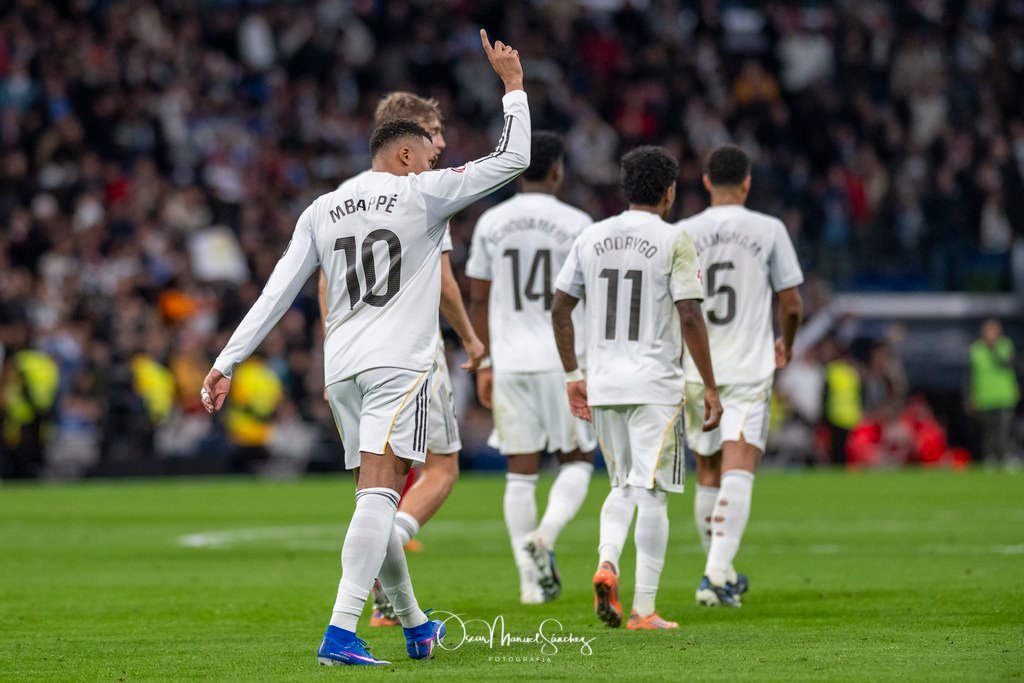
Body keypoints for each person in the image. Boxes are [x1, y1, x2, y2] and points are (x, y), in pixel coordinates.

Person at [201, 30, 529, 666]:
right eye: (426, 155)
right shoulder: (422, 192)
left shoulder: (322, 208)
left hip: (342, 369)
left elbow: (277, 292)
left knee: (372, 500)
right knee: (381, 497)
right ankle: (340, 632)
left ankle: (415, 625)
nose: (433, 164)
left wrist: (227, 360)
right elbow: (512, 158)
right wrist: (513, 88)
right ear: (405, 155)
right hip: (398, 366)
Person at [317, 89, 486, 627]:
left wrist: (333, 349)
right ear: (407, 141)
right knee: (440, 468)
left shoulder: (341, 197)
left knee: (373, 484)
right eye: (433, 132)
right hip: (409, 352)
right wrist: (471, 339)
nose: (442, 143)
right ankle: (378, 568)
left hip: (350, 355)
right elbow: (444, 282)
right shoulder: (423, 192)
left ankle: (398, 610)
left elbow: (325, 283)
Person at [551, 146, 723, 630]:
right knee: (653, 494)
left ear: (625, 188)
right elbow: (690, 315)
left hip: (604, 384)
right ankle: (644, 609)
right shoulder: (675, 239)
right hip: (654, 385)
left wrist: (573, 376)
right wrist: (711, 387)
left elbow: (560, 308)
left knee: (622, 485)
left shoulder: (591, 236)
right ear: (669, 192)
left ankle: (607, 562)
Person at [466, 132, 596, 604]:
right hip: (563, 361)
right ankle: (545, 535)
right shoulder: (579, 223)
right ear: (558, 171)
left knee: (520, 472)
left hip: (509, 361)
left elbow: (478, 298)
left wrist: (483, 362)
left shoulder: (490, 222)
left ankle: (528, 583)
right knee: (577, 459)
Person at [676, 144, 804, 607]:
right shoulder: (770, 229)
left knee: (708, 471)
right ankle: (715, 576)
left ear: (707, 182)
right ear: (747, 183)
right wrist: (786, 341)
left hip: (697, 368)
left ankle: (721, 573)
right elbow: (792, 303)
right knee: (739, 468)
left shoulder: (684, 231)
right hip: (748, 367)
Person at [969, 318, 1020, 468]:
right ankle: (990, 457)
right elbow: (970, 375)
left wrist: (993, 349)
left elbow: (1009, 365)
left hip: (1004, 395)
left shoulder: (1005, 345)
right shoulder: (976, 349)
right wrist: (971, 396)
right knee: (989, 431)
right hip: (985, 397)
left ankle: (1007, 455)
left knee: (1005, 429)